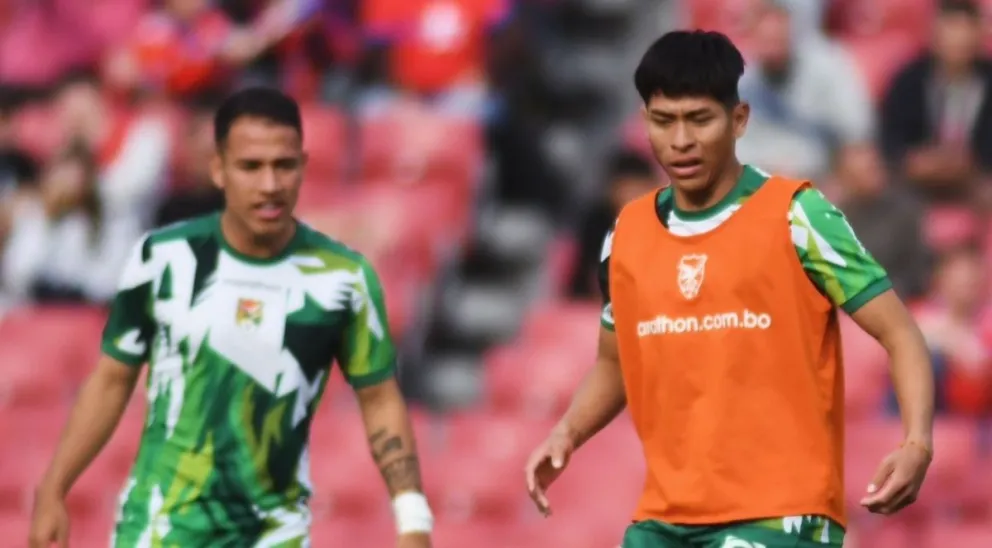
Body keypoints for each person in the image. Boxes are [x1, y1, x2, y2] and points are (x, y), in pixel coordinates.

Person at [524, 31, 935, 548]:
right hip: (664, 519)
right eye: (662, 121)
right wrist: (568, 432)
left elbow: (901, 333)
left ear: (738, 120)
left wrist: (917, 441)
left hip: (778, 515)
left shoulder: (797, 215)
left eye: (699, 120)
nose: (680, 141)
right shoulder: (626, 235)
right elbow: (615, 362)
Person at [28, 87, 434, 548]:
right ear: (219, 169)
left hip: (272, 532)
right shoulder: (161, 258)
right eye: (250, 167)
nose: (269, 184)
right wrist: (54, 488)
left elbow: (380, 399)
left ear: (302, 166)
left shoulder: (343, 278)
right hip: (161, 527)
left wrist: (412, 517)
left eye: (283, 165)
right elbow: (111, 380)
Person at [569, 149, 659, 299]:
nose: (632, 196)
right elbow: (592, 277)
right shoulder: (596, 223)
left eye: (639, 188)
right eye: (626, 189)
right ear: (610, 190)